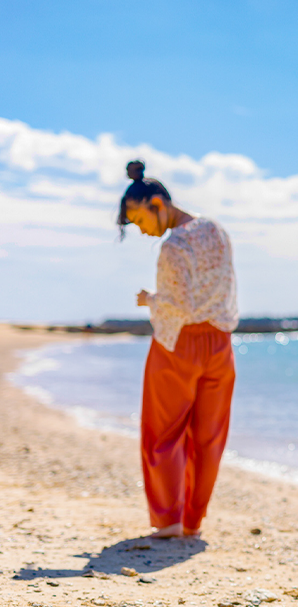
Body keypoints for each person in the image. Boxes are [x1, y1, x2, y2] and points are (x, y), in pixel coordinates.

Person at [117, 160, 239, 538]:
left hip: (179, 344)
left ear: (157, 203)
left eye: (140, 220)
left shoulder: (173, 246)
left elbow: (179, 306)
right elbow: (224, 289)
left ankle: (169, 518)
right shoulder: (216, 229)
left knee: (163, 433)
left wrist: (149, 300)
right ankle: (192, 522)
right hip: (220, 343)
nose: (142, 230)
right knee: (209, 437)